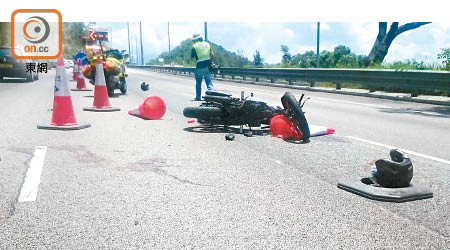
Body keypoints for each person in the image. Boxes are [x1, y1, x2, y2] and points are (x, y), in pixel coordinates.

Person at [191, 33, 214, 101]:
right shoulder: (207, 44)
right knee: (208, 80)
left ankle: (198, 97)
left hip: (199, 65)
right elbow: (212, 54)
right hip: (207, 65)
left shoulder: (194, 46)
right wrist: (212, 62)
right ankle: (211, 95)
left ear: (195, 39)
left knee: (198, 81)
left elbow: (192, 57)